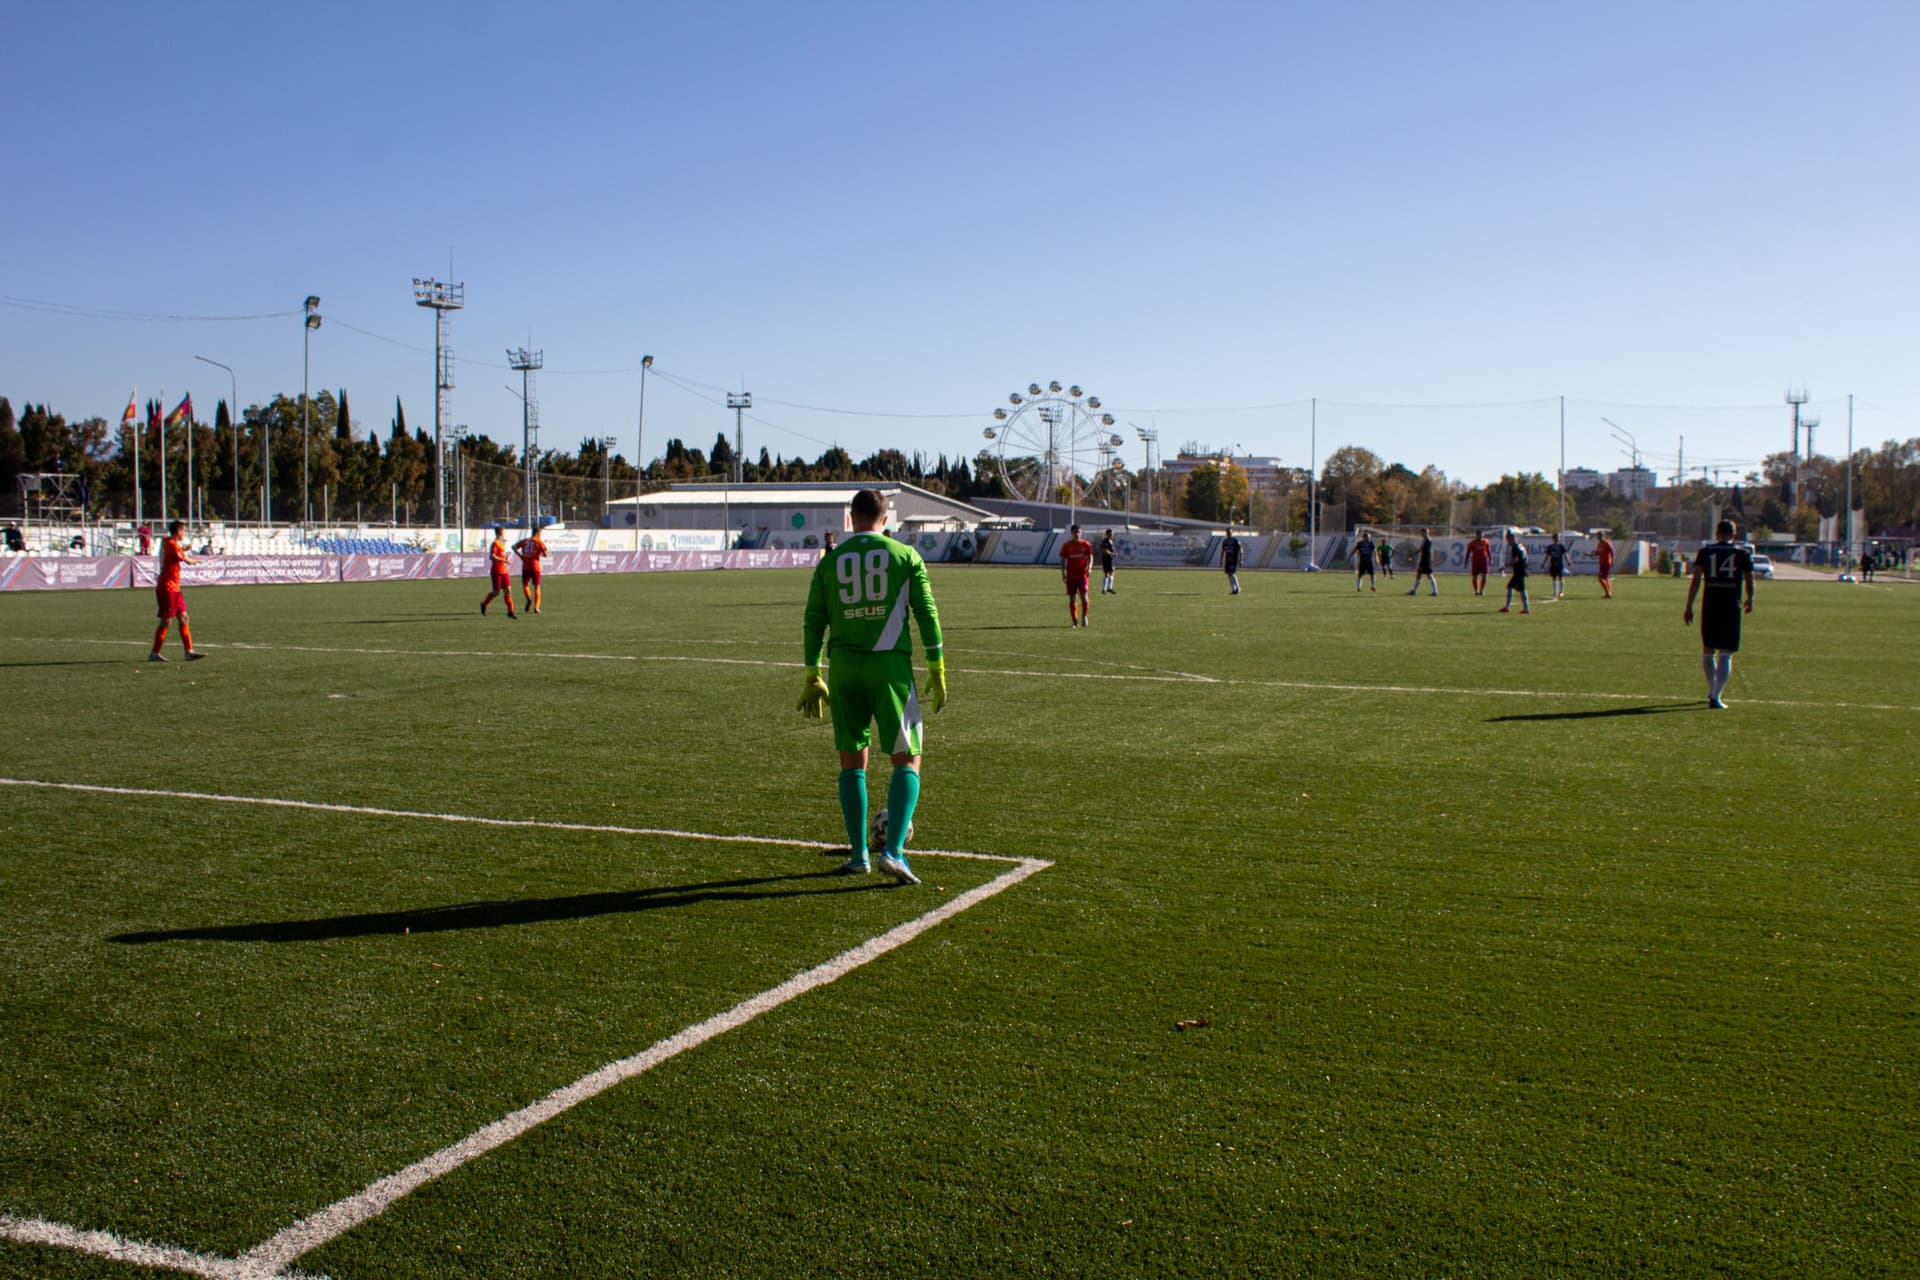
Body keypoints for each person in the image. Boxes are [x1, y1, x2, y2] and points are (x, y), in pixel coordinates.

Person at [798, 488, 945, 886]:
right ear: (886, 518)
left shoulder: (830, 563)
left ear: (851, 519)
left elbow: (814, 621)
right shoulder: (905, 556)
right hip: (889, 669)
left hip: (844, 669)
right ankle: (894, 852)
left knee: (852, 762)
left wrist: (813, 674)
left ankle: (859, 854)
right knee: (908, 757)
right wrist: (937, 665)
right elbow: (926, 613)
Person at [1683, 519, 1754, 710]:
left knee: (1708, 649)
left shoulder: (1706, 552)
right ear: (1734, 534)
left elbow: (1696, 579)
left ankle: (1712, 690)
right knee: (1726, 652)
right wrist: (1751, 599)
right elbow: (1749, 579)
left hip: (1710, 603)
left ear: (1716, 533)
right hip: (1731, 604)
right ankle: (1716, 695)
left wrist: (1689, 605)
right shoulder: (1742, 554)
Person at [149, 520, 206, 662]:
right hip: (167, 588)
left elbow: (175, 551)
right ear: (178, 531)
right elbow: (187, 560)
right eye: (183, 530)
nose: (184, 533)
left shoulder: (167, 542)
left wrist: (184, 549)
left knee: (184, 617)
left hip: (175, 587)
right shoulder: (173, 546)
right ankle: (154, 653)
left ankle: (189, 651)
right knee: (166, 622)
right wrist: (197, 561)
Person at [1059, 523, 1093, 627]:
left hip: (1082, 575)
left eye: (1078, 532)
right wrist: (1063, 574)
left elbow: (1090, 556)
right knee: (1072, 599)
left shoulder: (1085, 544)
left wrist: (1090, 567)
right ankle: (1074, 622)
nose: (1077, 534)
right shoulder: (1066, 546)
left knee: (1084, 598)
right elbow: (1062, 560)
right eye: (1075, 532)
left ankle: (1084, 616)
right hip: (1071, 576)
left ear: (1081, 533)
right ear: (1071, 533)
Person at [481, 527, 518, 618]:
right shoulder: (495, 544)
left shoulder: (502, 543)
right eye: (503, 532)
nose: (504, 533)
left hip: (504, 571)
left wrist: (505, 558)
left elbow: (501, 555)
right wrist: (503, 560)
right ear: (499, 533)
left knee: (508, 590)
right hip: (497, 571)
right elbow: (492, 556)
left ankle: (510, 611)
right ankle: (484, 604)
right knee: (496, 592)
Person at [514, 528, 549, 614]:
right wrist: (538, 553)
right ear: (537, 533)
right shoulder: (539, 542)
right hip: (535, 567)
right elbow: (546, 554)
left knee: (525, 585)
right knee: (537, 587)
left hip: (526, 566)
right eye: (540, 533)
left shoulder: (525, 541)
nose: (541, 535)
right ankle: (536, 607)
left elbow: (513, 547)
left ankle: (528, 599)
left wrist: (521, 556)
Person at [1499, 531, 1530, 614]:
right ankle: (1508, 607)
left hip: (1519, 570)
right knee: (1514, 587)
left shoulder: (1515, 547)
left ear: (1512, 538)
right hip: (1521, 569)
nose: (1507, 541)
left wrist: (1505, 566)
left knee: (1517, 588)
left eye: (1508, 539)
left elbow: (1515, 560)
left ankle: (1525, 609)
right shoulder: (1520, 546)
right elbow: (1525, 557)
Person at [1407, 528, 1439, 596]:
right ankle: (1414, 591)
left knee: (1428, 575)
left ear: (1425, 532)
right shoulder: (1428, 539)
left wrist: (1414, 553)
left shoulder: (1426, 539)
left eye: (1422, 532)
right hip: (1426, 559)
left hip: (1425, 560)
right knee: (1420, 574)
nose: (1421, 534)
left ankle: (1434, 591)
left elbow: (1422, 548)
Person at [1466, 530, 1493, 596]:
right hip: (1475, 562)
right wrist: (1466, 562)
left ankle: (1482, 590)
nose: (1480, 536)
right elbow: (1468, 553)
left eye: (1481, 535)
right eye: (1478, 535)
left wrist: (1490, 559)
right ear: (1476, 535)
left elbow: (1488, 551)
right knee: (1475, 577)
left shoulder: (1485, 541)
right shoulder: (1472, 543)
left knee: (1485, 576)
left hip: (1484, 561)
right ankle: (1476, 591)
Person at [1544, 533, 1570, 600]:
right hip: (1553, 564)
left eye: (1558, 537)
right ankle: (1555, 592)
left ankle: (1561, 592)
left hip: (1559, 564)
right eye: (1556, 537)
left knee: (1560, 577)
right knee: (1554, 578)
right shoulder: (1550, 547)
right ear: (1553, 538)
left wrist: (1568, 561)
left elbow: (1565, 554)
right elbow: (1547, 556)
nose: (1557, 539)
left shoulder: (1561, 546)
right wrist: (1544, 563)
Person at [1221, 528, 1243, 594]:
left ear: (1232, 533)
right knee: (1228, 574)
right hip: (1227, 560)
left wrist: (1241, 560)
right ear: (1226, 533)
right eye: (1227, 532)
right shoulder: (1225, 541)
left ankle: (1238, 588)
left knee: (1232, 573)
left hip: (1234, 559)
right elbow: (1223, 551)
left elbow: (1241, 550)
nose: (1228, 533)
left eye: (1230, 532)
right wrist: (1221, 560)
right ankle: (1234, 589)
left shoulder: (1235, 540)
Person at [1596, 532, 1616, 598]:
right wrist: (1590, 554)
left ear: (1604, 536)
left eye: (1601, 535)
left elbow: (1612, 552)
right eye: (1598, 535)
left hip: (1606, 563)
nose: (1599, 537)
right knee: (1606, 578)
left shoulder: (1607, 543)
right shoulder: (1599, 544)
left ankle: (1608, 593)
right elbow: (1598, 552)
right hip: (1602, 563)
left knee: (1600, 578)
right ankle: (1609, 592)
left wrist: (1613, 560)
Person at [1099, 530, 1117, 594]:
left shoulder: (1110, 541)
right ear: (1106, 534)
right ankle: (1106, 589)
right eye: (1110, 534)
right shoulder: (1105, 541)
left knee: (1111, 573)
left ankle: (1108, 588)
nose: (1111, 535)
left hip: (1110, 559)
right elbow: (1105, 551)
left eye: (1112, 534)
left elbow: (1110, 550)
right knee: (1107, 573)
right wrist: (1113, 554)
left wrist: (1113, 553)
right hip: (1106, 559)